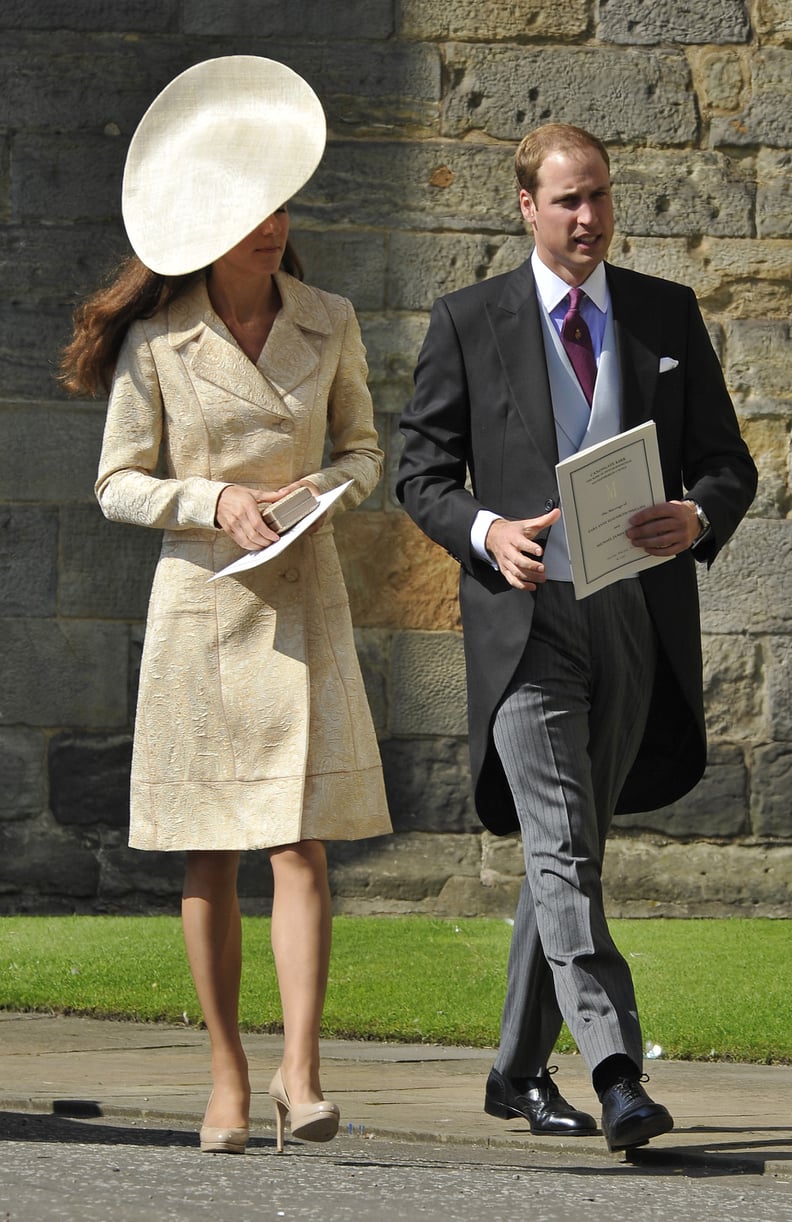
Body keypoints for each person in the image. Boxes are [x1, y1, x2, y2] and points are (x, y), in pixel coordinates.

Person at [397, 123, 756, 1153]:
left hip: (634, 621)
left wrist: (697, 517)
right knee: (559, 846)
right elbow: (419, 472)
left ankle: (514, 1070)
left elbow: (727, 466)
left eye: (598, 195)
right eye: (567, 201)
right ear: (525, 206)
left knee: (572, 856)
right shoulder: (469, 320)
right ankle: (617, 1068)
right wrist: (483, 530)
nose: (589, 217)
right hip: (524, 630)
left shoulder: (665, 314)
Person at [61, 56, 391, 1156]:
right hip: (201, 614)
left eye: (281, 203)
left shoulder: (330, 318)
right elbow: (116, 482)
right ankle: (228, 1077)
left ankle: (304, 1073)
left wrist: (314, 495)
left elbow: (365, 453)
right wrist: (214, 500)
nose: (272, 223)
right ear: (208, 224)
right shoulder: (159, 344)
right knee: (210, 852)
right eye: (250, 209)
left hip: (302, 606)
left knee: (301, 845)